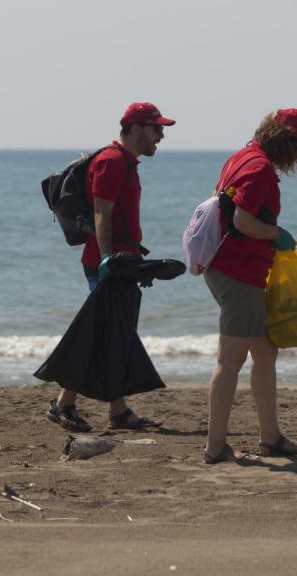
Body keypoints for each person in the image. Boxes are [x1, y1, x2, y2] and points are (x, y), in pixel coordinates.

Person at [46, 102, 173, 433]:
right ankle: (63, 405)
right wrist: (106, 260)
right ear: (135, 128)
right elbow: (102, 212)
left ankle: (116, 412)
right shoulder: (112, 161)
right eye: (156, 128)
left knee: (113, 335)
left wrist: (135, 265)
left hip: (124, 261)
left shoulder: (127, 163)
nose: (160, 135)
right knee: (102, 334)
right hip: (108, 263)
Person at [202, 109, 297, 464]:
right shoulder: (259, 167)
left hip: (234, 268)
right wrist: (277, 234)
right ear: (286, 142)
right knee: (230, 361)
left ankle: (271, 438)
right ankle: (215, 447)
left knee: (266, 352)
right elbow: (243, 220)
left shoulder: (243, 155)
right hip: (238, 272)